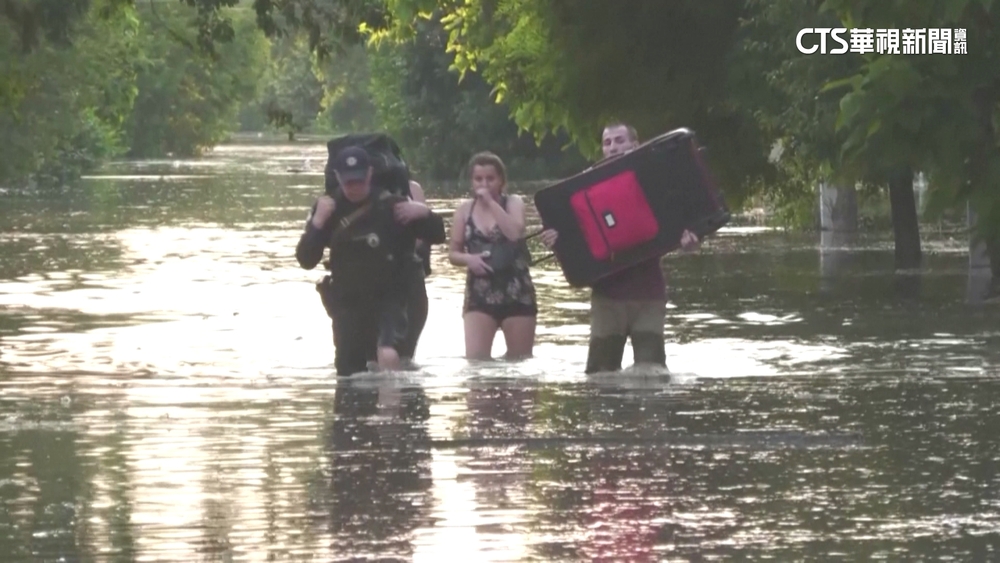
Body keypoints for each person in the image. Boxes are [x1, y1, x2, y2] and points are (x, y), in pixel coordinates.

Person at [539, 122, 701, 374]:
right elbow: (573, 241)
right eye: (607, 143)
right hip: (607, 295)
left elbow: (681, 228)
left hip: (649, 294)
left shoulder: (655, 179)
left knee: (651, 374)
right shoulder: (585, 187)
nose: (613, 147)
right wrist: (556, 239)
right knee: (601, 375)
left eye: (619, 140)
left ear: (635, 145)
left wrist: (690, 244)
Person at [296, 146, 446, 376]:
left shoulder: (392, 205)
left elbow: (437, 236)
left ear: (369, 174)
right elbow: (306, 259)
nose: (354, 187)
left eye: (359, 180)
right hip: (349, 305)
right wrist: (317, 223)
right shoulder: (328, 209)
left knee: (387, 354)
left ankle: (392, 408)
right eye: (348, 182)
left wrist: (424, 213)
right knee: (349, 373)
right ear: (337, 177)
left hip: (392, 300)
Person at [448, 151, 537, 360]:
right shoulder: (464, 211)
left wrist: (491, 203)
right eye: (479, 179)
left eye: (490, 179)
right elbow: (453, 253)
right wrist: (469, 259)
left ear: (501, 180)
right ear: (472, 181)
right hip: (479, 291)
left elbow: (514, 233)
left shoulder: (514, 202)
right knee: (476, 364)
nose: (484, 184)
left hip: (516, 289)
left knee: (519, 366)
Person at [398, 179, 431, 364]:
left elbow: (423, 238)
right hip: (366, 288)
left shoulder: (411, 188)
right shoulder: (350, 188)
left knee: (404, 357)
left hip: (409, 284)